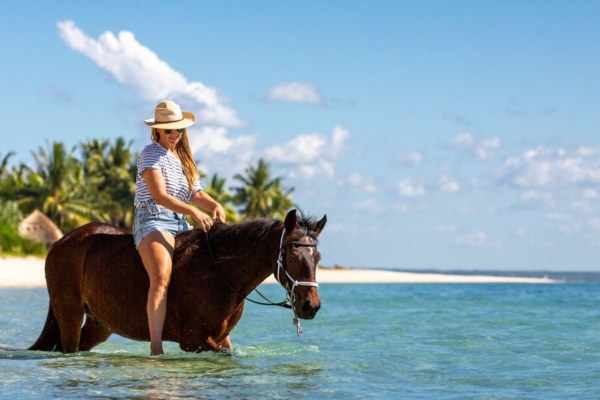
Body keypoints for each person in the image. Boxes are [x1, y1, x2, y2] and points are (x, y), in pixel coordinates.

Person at [133, 100, 228, 355]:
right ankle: (156, 348)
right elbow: (160, 195)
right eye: (169, 130)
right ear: (158, 131)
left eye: (179, 130)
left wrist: (214, 205)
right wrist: (193, 211)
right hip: (152, 219)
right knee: (161, 277)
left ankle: (222, 337)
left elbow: (195, 193)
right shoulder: (150, 154)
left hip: (179, 223)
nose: (175, 134)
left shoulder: (184, 158)